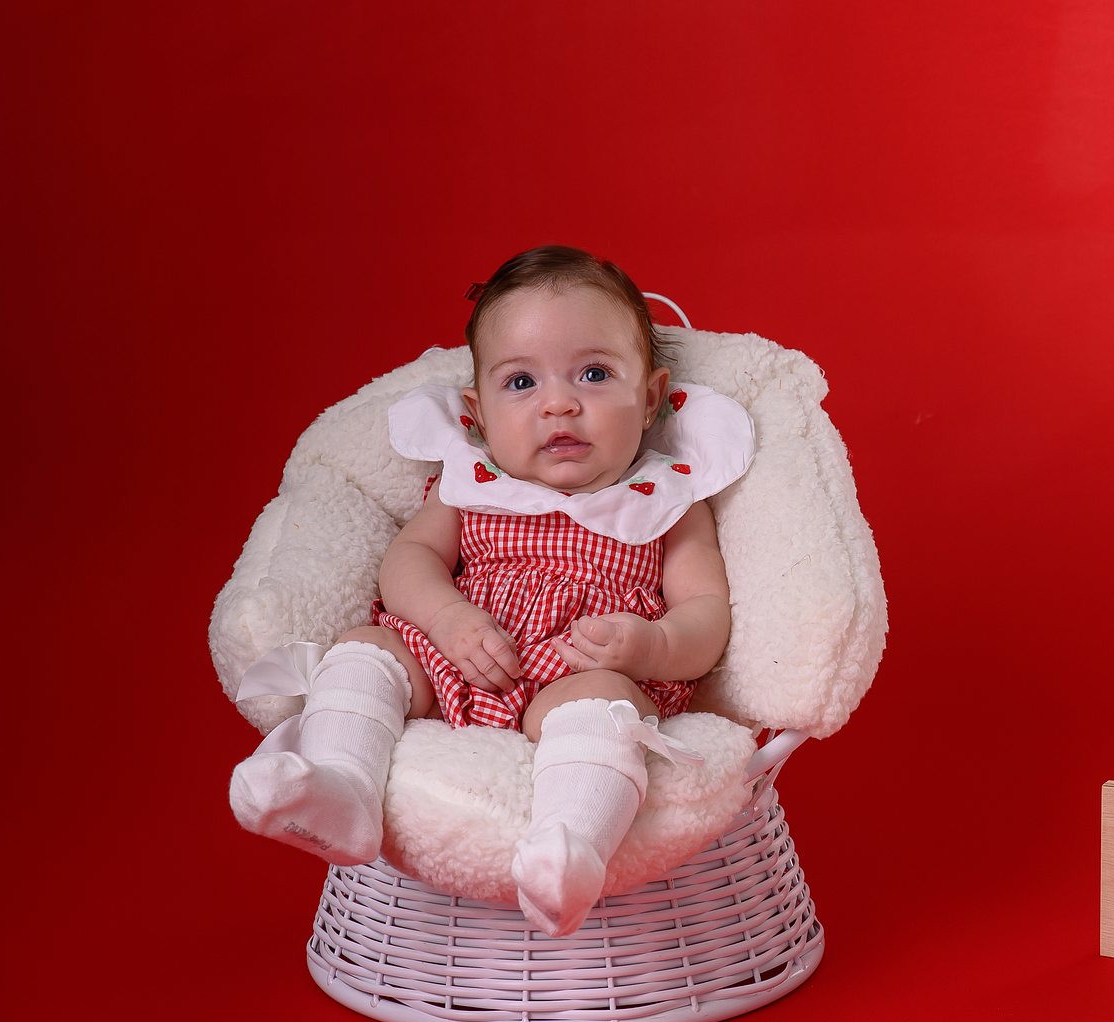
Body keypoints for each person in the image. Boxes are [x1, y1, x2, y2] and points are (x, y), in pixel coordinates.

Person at [229, 245, 753, 937]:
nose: (559, 403)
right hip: (459, 658)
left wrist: (652, 647)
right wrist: (447, 617)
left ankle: (570, 849)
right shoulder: (471, 483)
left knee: (604, 702)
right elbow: (409, 559)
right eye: (521, 382)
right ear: (476, 413)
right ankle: (342, 787)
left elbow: (706, 613)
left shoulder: (666, 501)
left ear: (651, 398)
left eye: (595, 374)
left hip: (582, 673)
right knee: (366, 646)